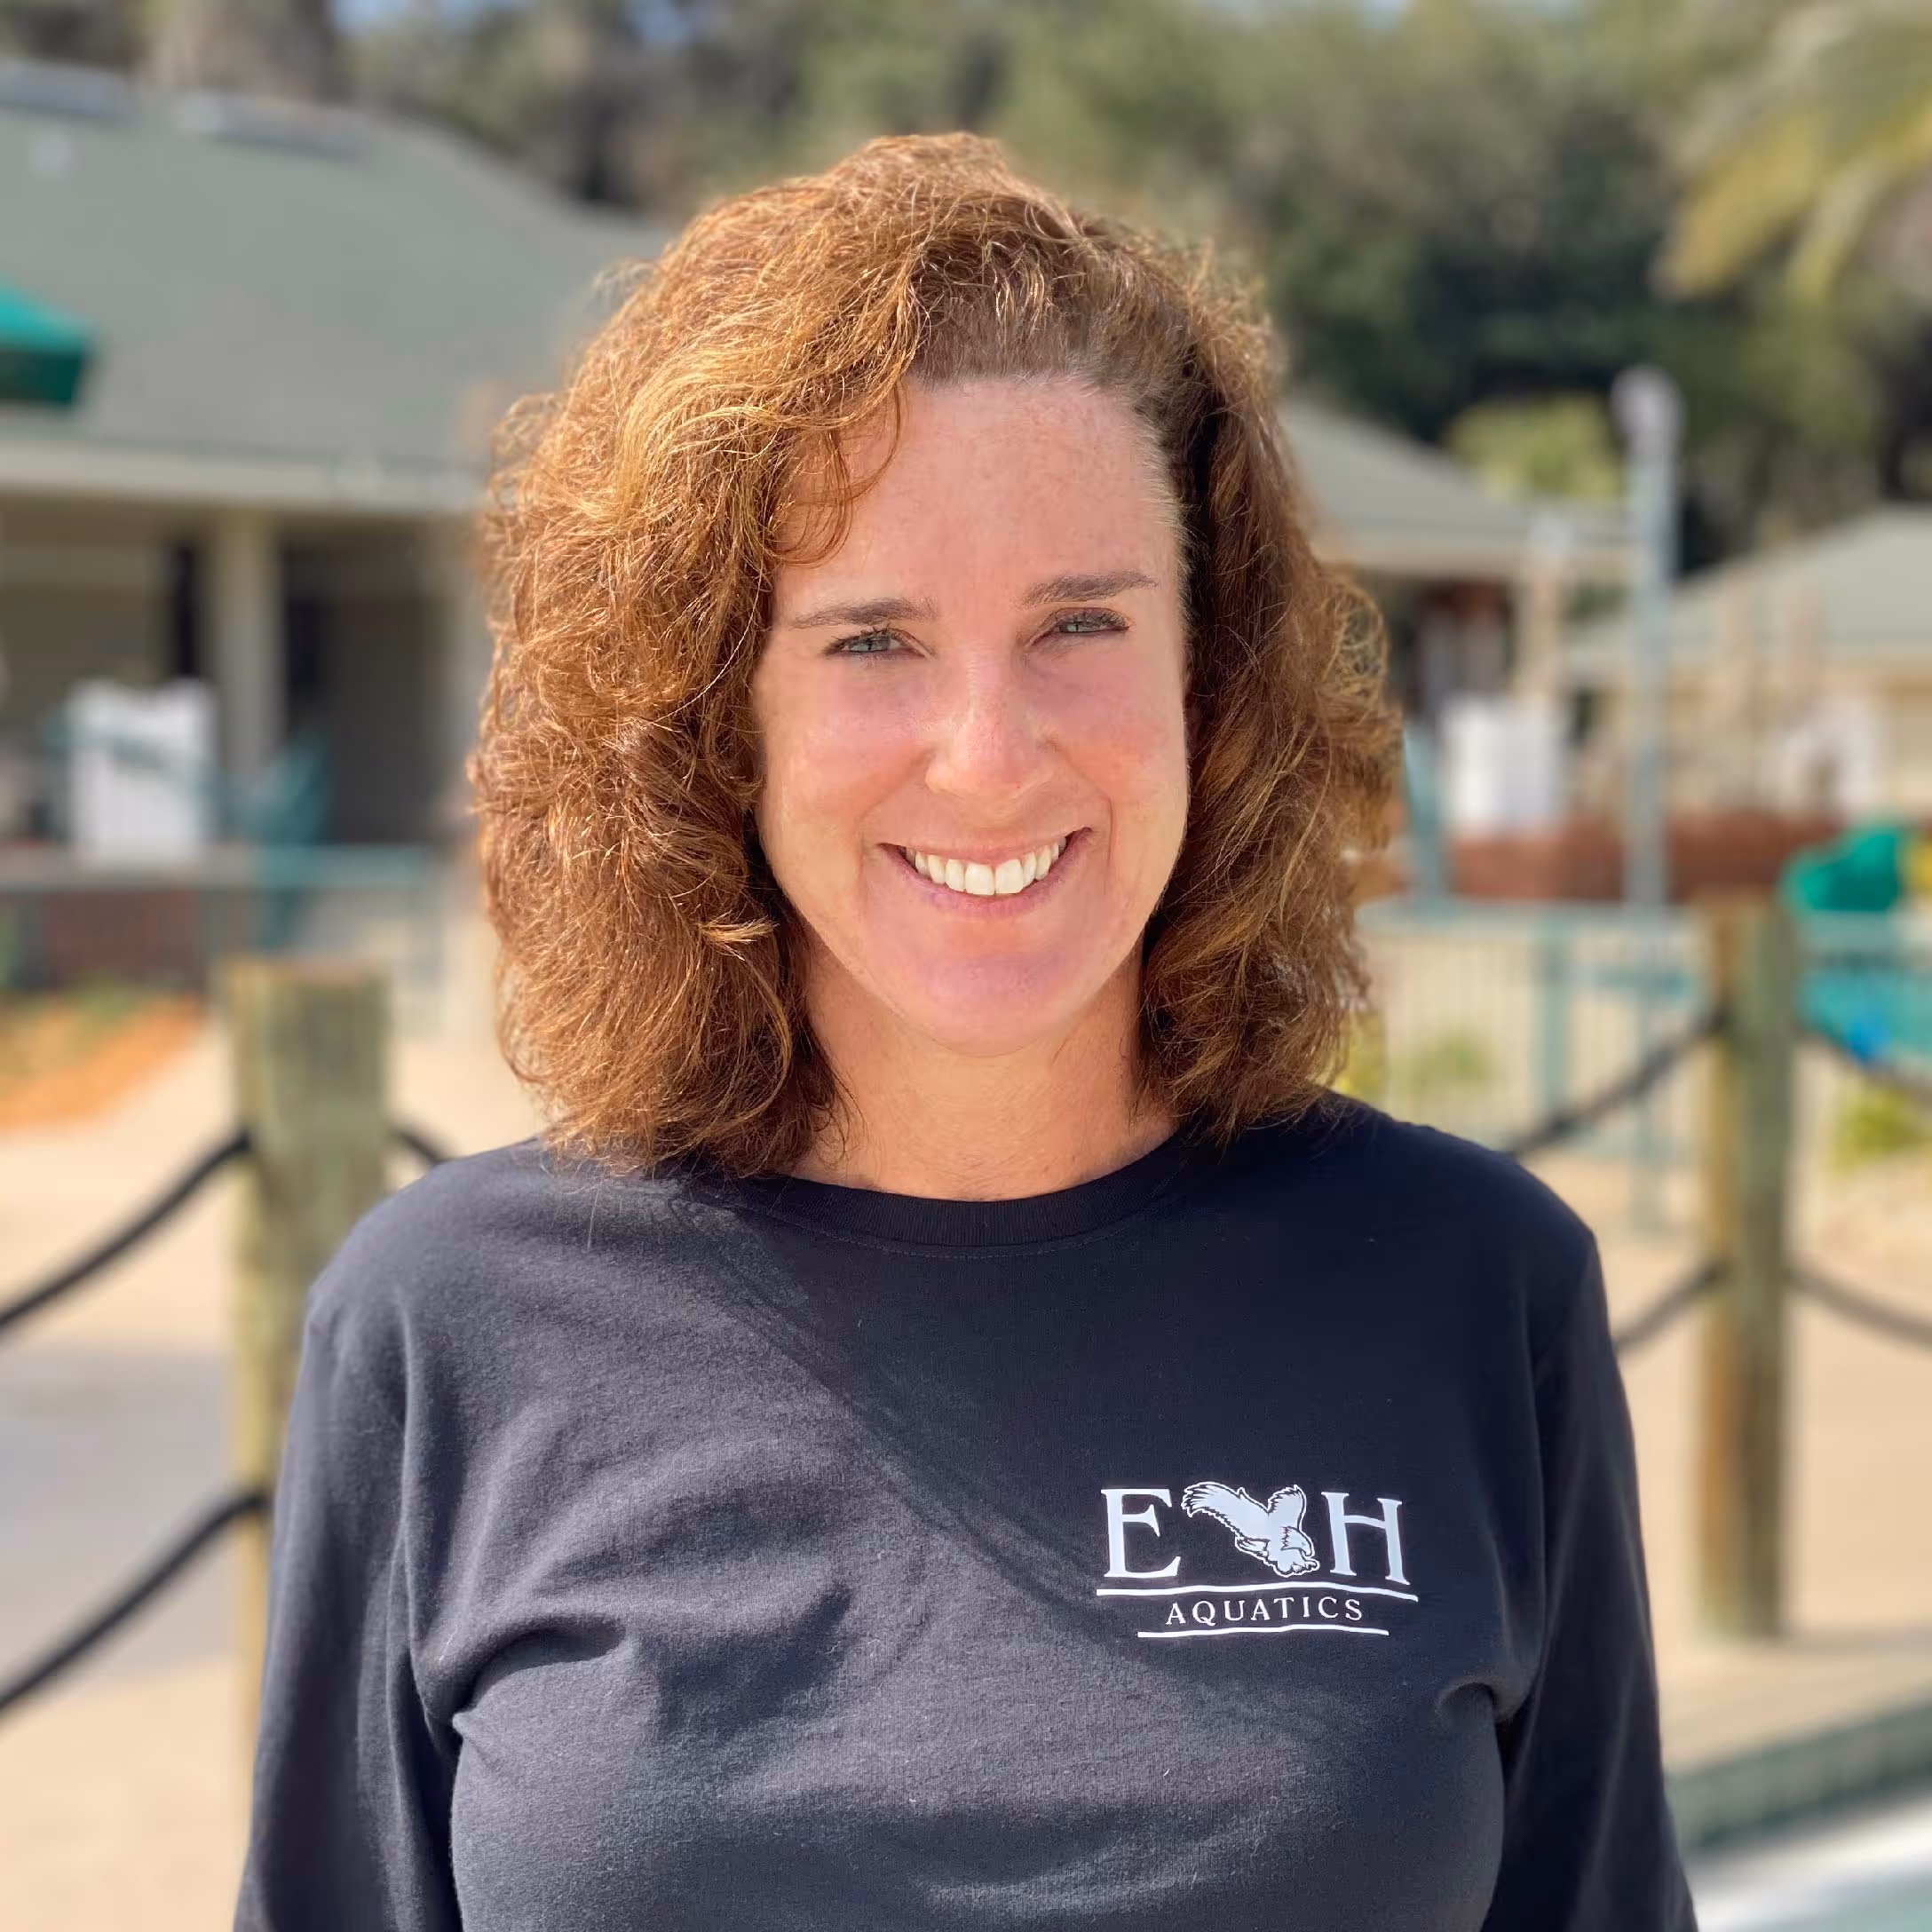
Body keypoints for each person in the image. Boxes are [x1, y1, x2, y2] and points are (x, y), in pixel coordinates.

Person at [234, 133, 1695, 1931]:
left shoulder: (1475, 1291)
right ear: (717, 718)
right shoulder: (442, 1325)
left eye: (1078, 621)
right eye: (871, 643)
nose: (988, 753)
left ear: (1205, 676)